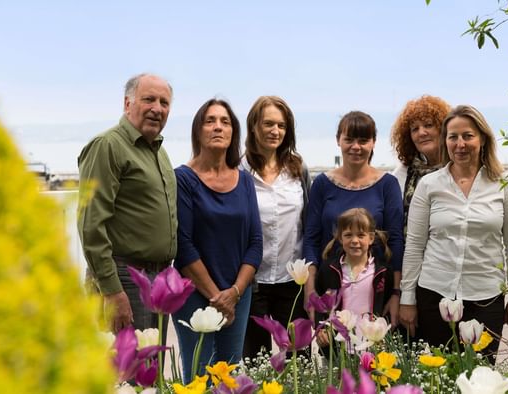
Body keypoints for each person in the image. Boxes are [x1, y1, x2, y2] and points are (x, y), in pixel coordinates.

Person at [398, 105, 508, 363]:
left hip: (485, 297)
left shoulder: (505, 186)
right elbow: (414, 245)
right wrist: (407, 299)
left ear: (482, 139)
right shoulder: (430, 185)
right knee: (436, 378)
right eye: (453, 136)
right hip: (434, 296)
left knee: (480, 378)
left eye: (467, 136)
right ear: (445, 141)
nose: (460, 144)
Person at [77, 73, 176, 334]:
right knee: (128, 371)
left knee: (152, 372)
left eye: (164, 103)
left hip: (158, 279)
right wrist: (111, 290)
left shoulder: (158, 151)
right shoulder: (107, 146)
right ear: (127, 103)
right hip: (125, 278)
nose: (157, 108)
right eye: (149, 99)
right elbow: (91, 225)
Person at [172, 98, 262, 381]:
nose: (217, 127)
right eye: (210, 121)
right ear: (198, 131)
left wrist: (234, 293)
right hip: (195, 294)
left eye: (225, 122)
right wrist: (217, 297)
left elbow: (255, 242)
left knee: (229, 375)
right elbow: (184, 247)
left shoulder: (245, 180)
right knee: (198, 376)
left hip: (238, 293)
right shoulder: (183, 179)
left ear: (233, 131)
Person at [304, 111, 404, 326]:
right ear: (338, 140)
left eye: (363, 140)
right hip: (329, 290)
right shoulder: (322, 184)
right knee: (332, 355)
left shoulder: (388, 184)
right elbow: (311, 238)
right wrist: (310, 288)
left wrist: (396, 292)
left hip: (376, 293)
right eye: (349, 139)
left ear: (374, 143)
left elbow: (396, 240)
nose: (356, 147)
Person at [240, 96, 312, 358]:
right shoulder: (238, 170)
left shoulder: (298, 169)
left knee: (297, 361)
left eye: (281, 126)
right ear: (254, 127)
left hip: (291, 282)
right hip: (252, 282)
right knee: (254, 359)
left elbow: (308, 223)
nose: (275, 131)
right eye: (268, 123)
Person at [315, 208, 394, 349]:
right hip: (337, 346)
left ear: (371, 238)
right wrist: (321, 327)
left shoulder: (382, 271)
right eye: (348, 235)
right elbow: (320, 304)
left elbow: (386, 305)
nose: (354, 241)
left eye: (361, 235)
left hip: (370, 345)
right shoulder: (328, 269)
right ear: (340, 238)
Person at [391, 95, 451, 235]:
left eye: (428, 125)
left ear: (444, 128)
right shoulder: (402, 174)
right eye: (415, 129)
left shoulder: (458, 169)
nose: (422, 133)